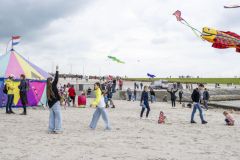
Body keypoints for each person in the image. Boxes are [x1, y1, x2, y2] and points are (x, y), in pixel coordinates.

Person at [47, 66, 62, 134]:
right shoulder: (53, 85)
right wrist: (57, 70)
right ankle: (57, 129)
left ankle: (50, 129)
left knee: (52, 117)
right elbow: (56, 78)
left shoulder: (47, 87)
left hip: (50, 104)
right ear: (51, 81)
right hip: (55, 103)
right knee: (58, 117)